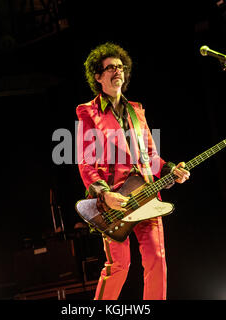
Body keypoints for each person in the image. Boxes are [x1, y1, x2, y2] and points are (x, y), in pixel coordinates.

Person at [76, 42, 190, 300]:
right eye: (110, 68)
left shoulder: (136, 110)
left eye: (120, 67)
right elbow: (85, 162)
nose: (117, 71)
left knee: (157, 260)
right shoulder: (88, 112)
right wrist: (104, 195)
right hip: (114, 201)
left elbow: (151, 156)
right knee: (119, 266)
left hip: (147, 196)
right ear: (98, 76)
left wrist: (172, 169)